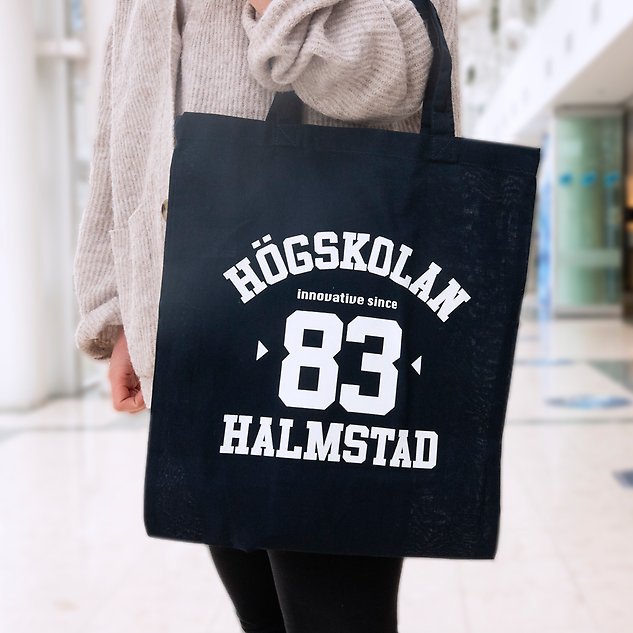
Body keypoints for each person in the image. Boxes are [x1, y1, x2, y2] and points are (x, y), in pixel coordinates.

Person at [73, 1, 460, 631]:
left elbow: (395, 73)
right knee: (261, 611)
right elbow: (125, 104)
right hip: (196, 324)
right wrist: (121, 306)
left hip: (328, 323)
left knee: (335, 613)